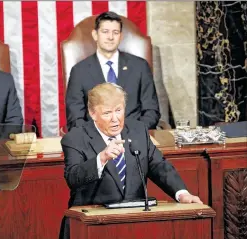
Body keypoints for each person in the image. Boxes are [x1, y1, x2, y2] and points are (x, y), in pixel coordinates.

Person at [60, 83, 202, 239]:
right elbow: (73, 178)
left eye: (119, 110)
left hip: (134, 224)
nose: (115, 119)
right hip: (91, 227)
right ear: (93, 113)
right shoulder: (75, 138)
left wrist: (182, 194)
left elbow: (158, 166)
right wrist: (101, 158)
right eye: (107, 113)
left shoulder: (137, 130)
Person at [65, 11, 160, 131]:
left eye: (115, 32)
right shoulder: (79, 71)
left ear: (121, 36)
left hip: (135, 138)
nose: (110, 37)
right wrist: (97, 138)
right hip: (95, 143)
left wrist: (134, 133)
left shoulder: (140, 66)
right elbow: (75, 117)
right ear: (95, 35)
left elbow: (151, 111)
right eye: (105, 32)